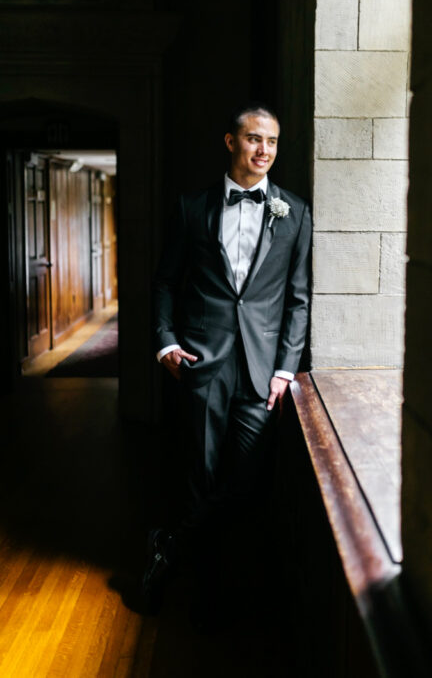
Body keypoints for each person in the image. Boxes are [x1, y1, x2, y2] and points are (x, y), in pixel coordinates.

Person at [142, 102, 312, 623]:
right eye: (255, 139)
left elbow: (298, 298)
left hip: (263, 374)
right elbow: (166, 281)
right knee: (202, 475)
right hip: (202, 363)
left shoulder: (295, 212)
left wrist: (286, 368)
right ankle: (206, 600)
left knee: (247, 483)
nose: (265, 151)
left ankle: (170, 548)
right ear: (231, 142)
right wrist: (166, 341)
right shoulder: (192, 208)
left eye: (274, 142)